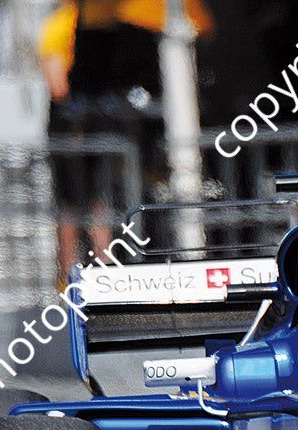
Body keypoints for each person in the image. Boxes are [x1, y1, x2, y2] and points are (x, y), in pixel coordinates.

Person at [37, 0, 213, 287]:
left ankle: (88, 278)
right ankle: (86, 276)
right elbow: (59, 84)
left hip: (83, 126)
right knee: (79, 206)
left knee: (86, 205)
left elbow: (59, 82)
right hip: (74, 129)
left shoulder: (80, 20)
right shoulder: (67, 24)